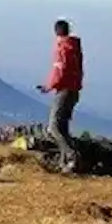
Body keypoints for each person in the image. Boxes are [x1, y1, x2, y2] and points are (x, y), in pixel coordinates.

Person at [39, 19, 84, 173]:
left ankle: (71, 156)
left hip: (63, 91)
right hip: (74, 90)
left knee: (53, 127)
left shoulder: (62, 49)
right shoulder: (75, 47)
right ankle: (65, 163)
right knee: (63, 127)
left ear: (55, 32)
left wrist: (48, 87)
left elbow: (59, 73)